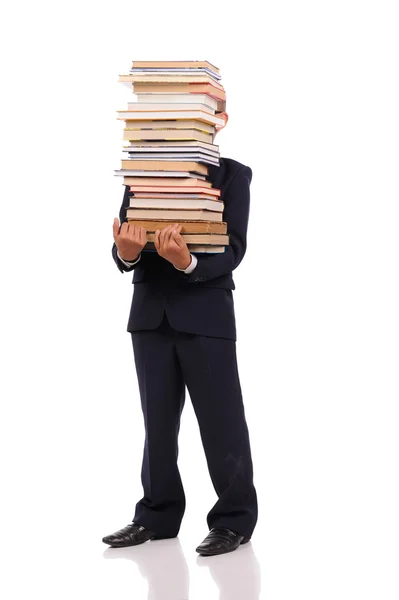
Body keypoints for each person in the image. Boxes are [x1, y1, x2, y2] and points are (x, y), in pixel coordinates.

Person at [102, 111, 258, 556]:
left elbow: (235, 249)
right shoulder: (139, 179)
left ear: (220, 119)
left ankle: (234, 521)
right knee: (157, 424)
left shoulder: (232, 176)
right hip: (150, 316)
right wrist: (126, 253)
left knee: (221, 420)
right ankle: (156, 516)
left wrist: (187, 263)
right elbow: (125, 242)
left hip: (206, 315)